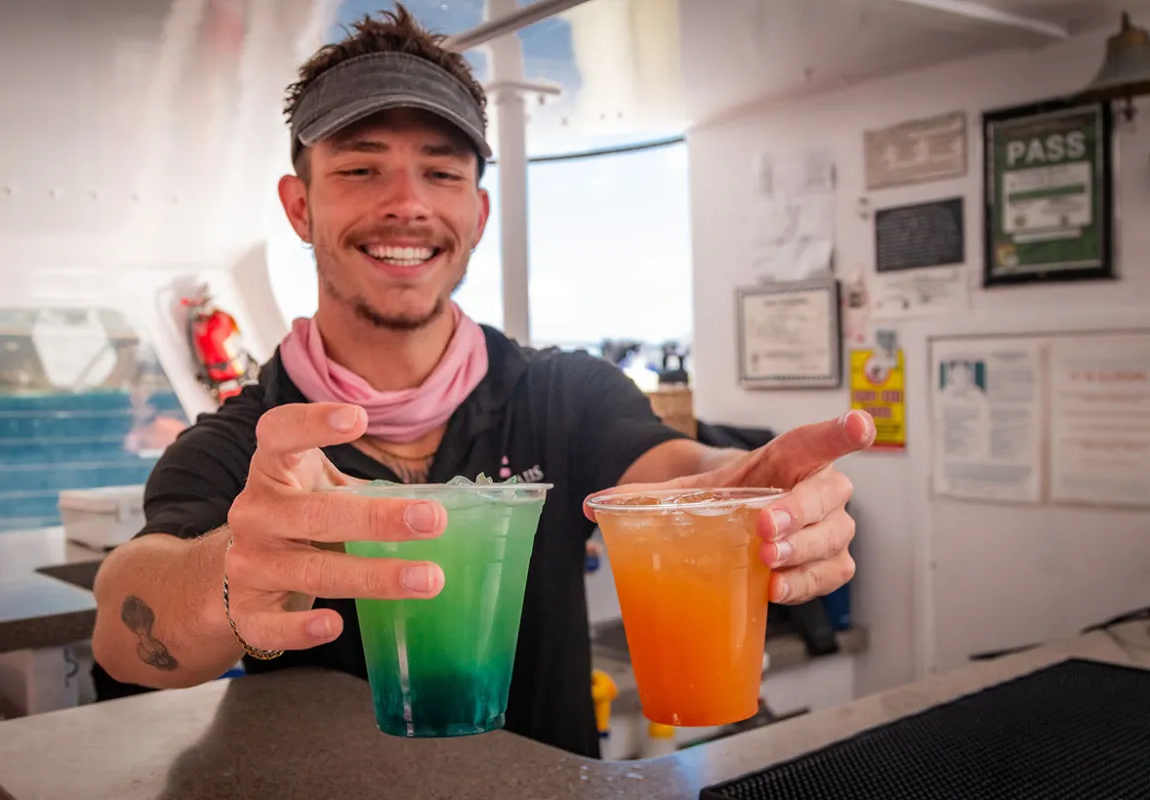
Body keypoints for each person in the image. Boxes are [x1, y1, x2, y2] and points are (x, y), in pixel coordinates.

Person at [91, 3, 875, 759]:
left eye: (441, 173)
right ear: (299, 206)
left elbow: (675, 477)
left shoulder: (565, 395)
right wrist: (230, 577)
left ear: (478, 211)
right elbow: (124, 634)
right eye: (361, 168)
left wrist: (754, 490)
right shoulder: (250, 446)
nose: (406, 205)